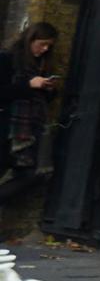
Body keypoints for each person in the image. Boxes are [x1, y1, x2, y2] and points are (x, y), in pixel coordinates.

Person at [3, 21, 62, 183]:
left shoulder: (40, 66)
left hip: (31, 131)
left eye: (49, 46)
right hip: (8, 128)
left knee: (30, 173)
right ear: (30, 40)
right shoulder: (7, 59)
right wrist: (28, 84)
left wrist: (49, 89)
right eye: (42, 44)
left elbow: (42, 100)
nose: (45, 49)